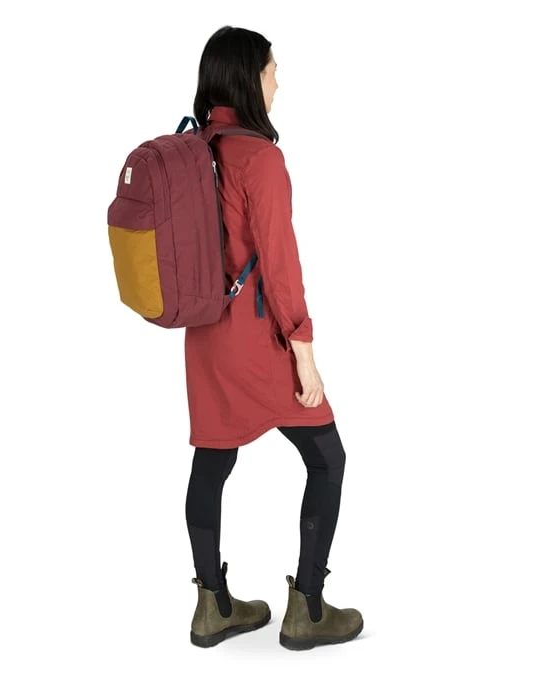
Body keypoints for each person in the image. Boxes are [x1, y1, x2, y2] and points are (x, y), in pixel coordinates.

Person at [184, 26, 364, 651]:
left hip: (205, 338)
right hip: (259, 341)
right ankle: (307, 608)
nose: (278, 81)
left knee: (212, 463)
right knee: (328, 458)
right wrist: (304, 351)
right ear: (247, 77)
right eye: (271, 69)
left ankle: (212, 606)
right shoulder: (259, 158)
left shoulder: (197, 149)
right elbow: (280, 265)